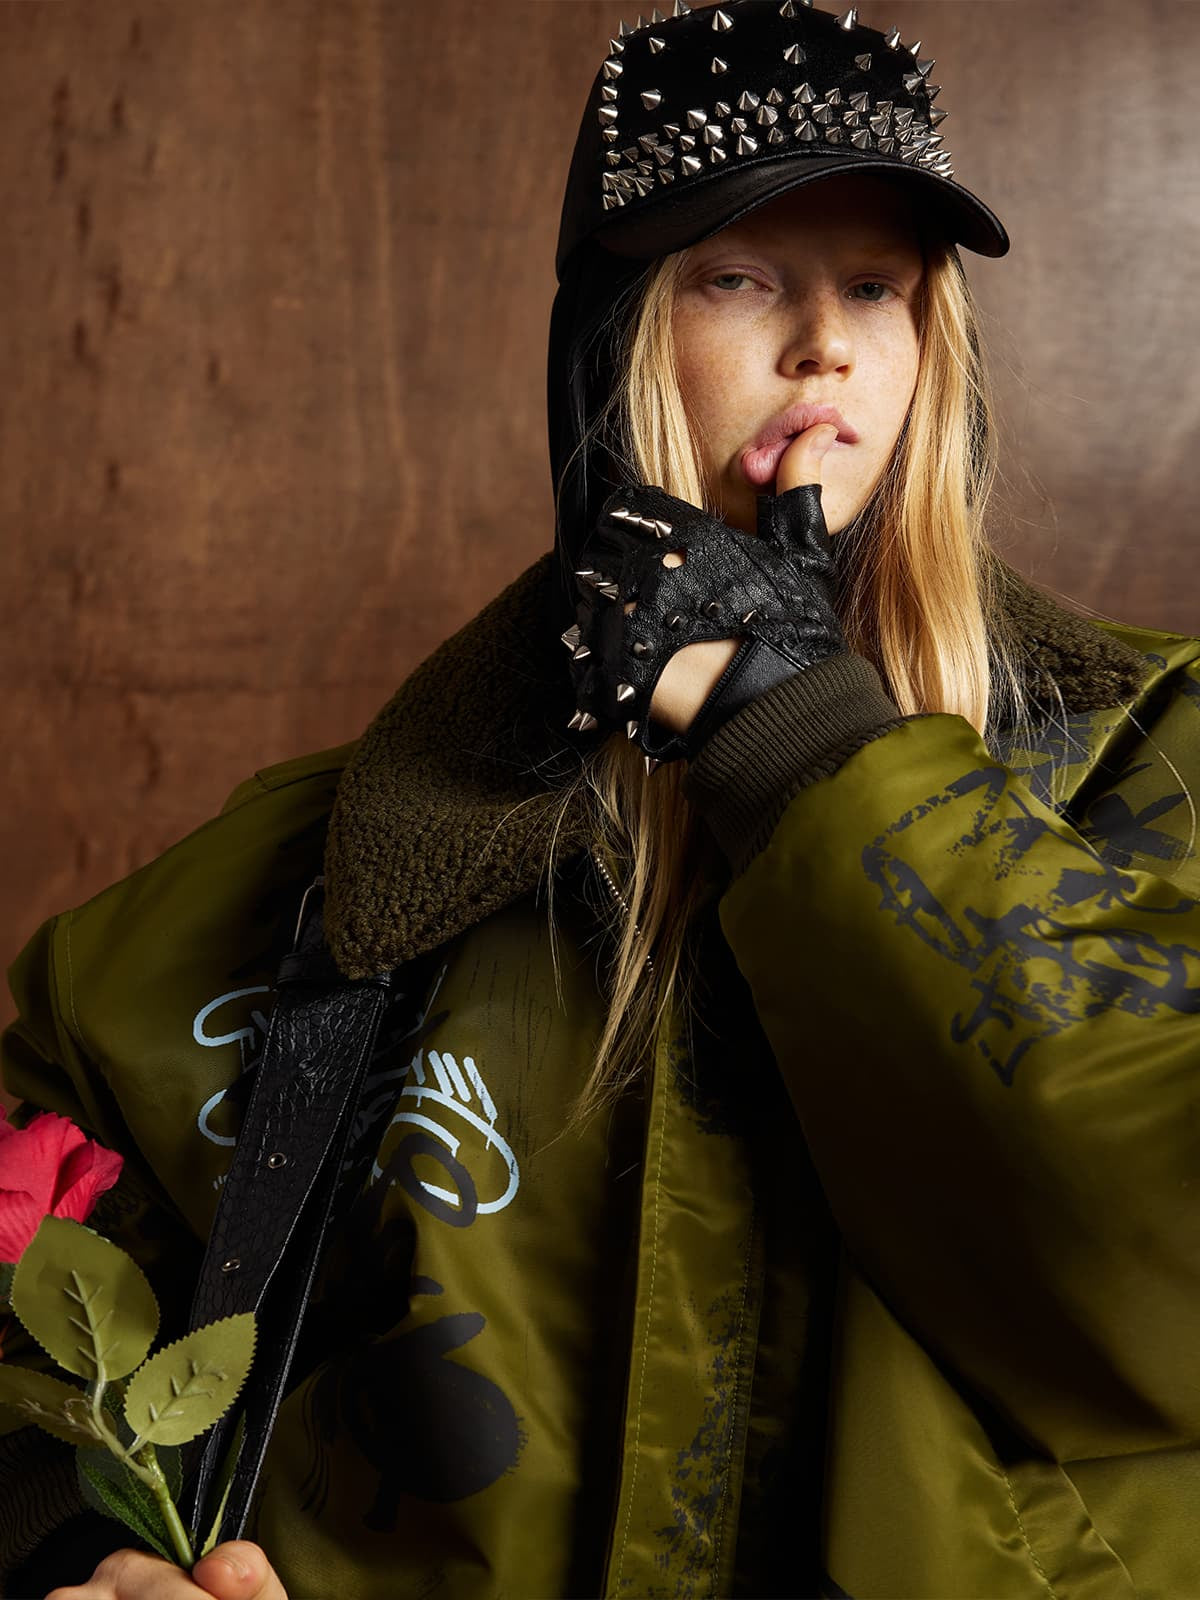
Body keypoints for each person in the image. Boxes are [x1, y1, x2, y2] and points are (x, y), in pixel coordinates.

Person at [3, 2, 1199, 1596]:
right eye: (739, 278)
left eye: (876, 289)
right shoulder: (366, 850)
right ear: (610, 348)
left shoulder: (1152, 761)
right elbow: (38, 1231)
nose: (825, 344)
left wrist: (804, 742)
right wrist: (79, 1540)